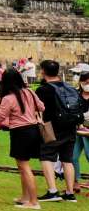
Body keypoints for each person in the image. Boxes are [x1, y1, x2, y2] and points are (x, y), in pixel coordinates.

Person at [0, 69, 44, 209]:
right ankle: (25, 197)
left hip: (20, 132)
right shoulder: (30, 92)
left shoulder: (8, 98)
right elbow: (41, 107)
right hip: (33, 130)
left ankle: (33, 202)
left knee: (24, 167)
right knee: (22, 166)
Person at [34, 59, 80, 202]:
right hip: (70, 127)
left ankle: (52, 190)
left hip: (52, 128)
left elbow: (38, 110)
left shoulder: (43, 89)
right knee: (67, 160)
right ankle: (69, 192)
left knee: (46, 156)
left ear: (43, 71)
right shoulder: (69, 87)